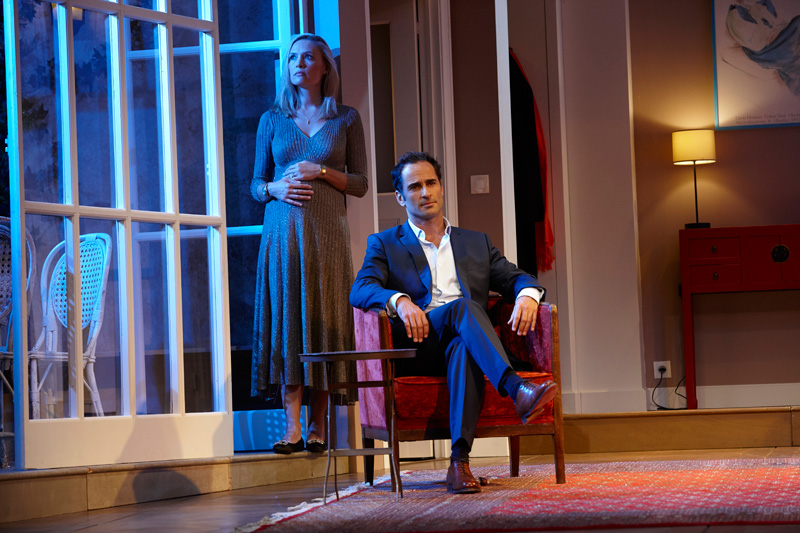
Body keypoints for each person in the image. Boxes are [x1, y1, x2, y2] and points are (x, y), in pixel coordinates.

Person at [350, 152, 558, 494]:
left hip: (466, 341)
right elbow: (360, 289)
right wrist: (399, 300)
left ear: (442, 187)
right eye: (414, 186)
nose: (425, 192)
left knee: (463, 345)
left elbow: (515, 277)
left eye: (431, 182)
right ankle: (515, 388)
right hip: (418, 345)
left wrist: (527, 296)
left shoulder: (476, 242)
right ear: (401, 197)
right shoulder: (385, 243)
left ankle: (459, 463)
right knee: (462, 308)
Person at [251, 34, 368, 455]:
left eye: (308, 58)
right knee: (289, 323)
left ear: (324, 67)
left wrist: (319, 171)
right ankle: (292, 429)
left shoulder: (346, 119)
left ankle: (319, 426)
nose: (298, 64)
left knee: (324, 323)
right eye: (292, 58)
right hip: (282, 235)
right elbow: (255, 184)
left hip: (329, 237)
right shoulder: (272, 119)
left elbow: (361, 183)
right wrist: (275, 188)